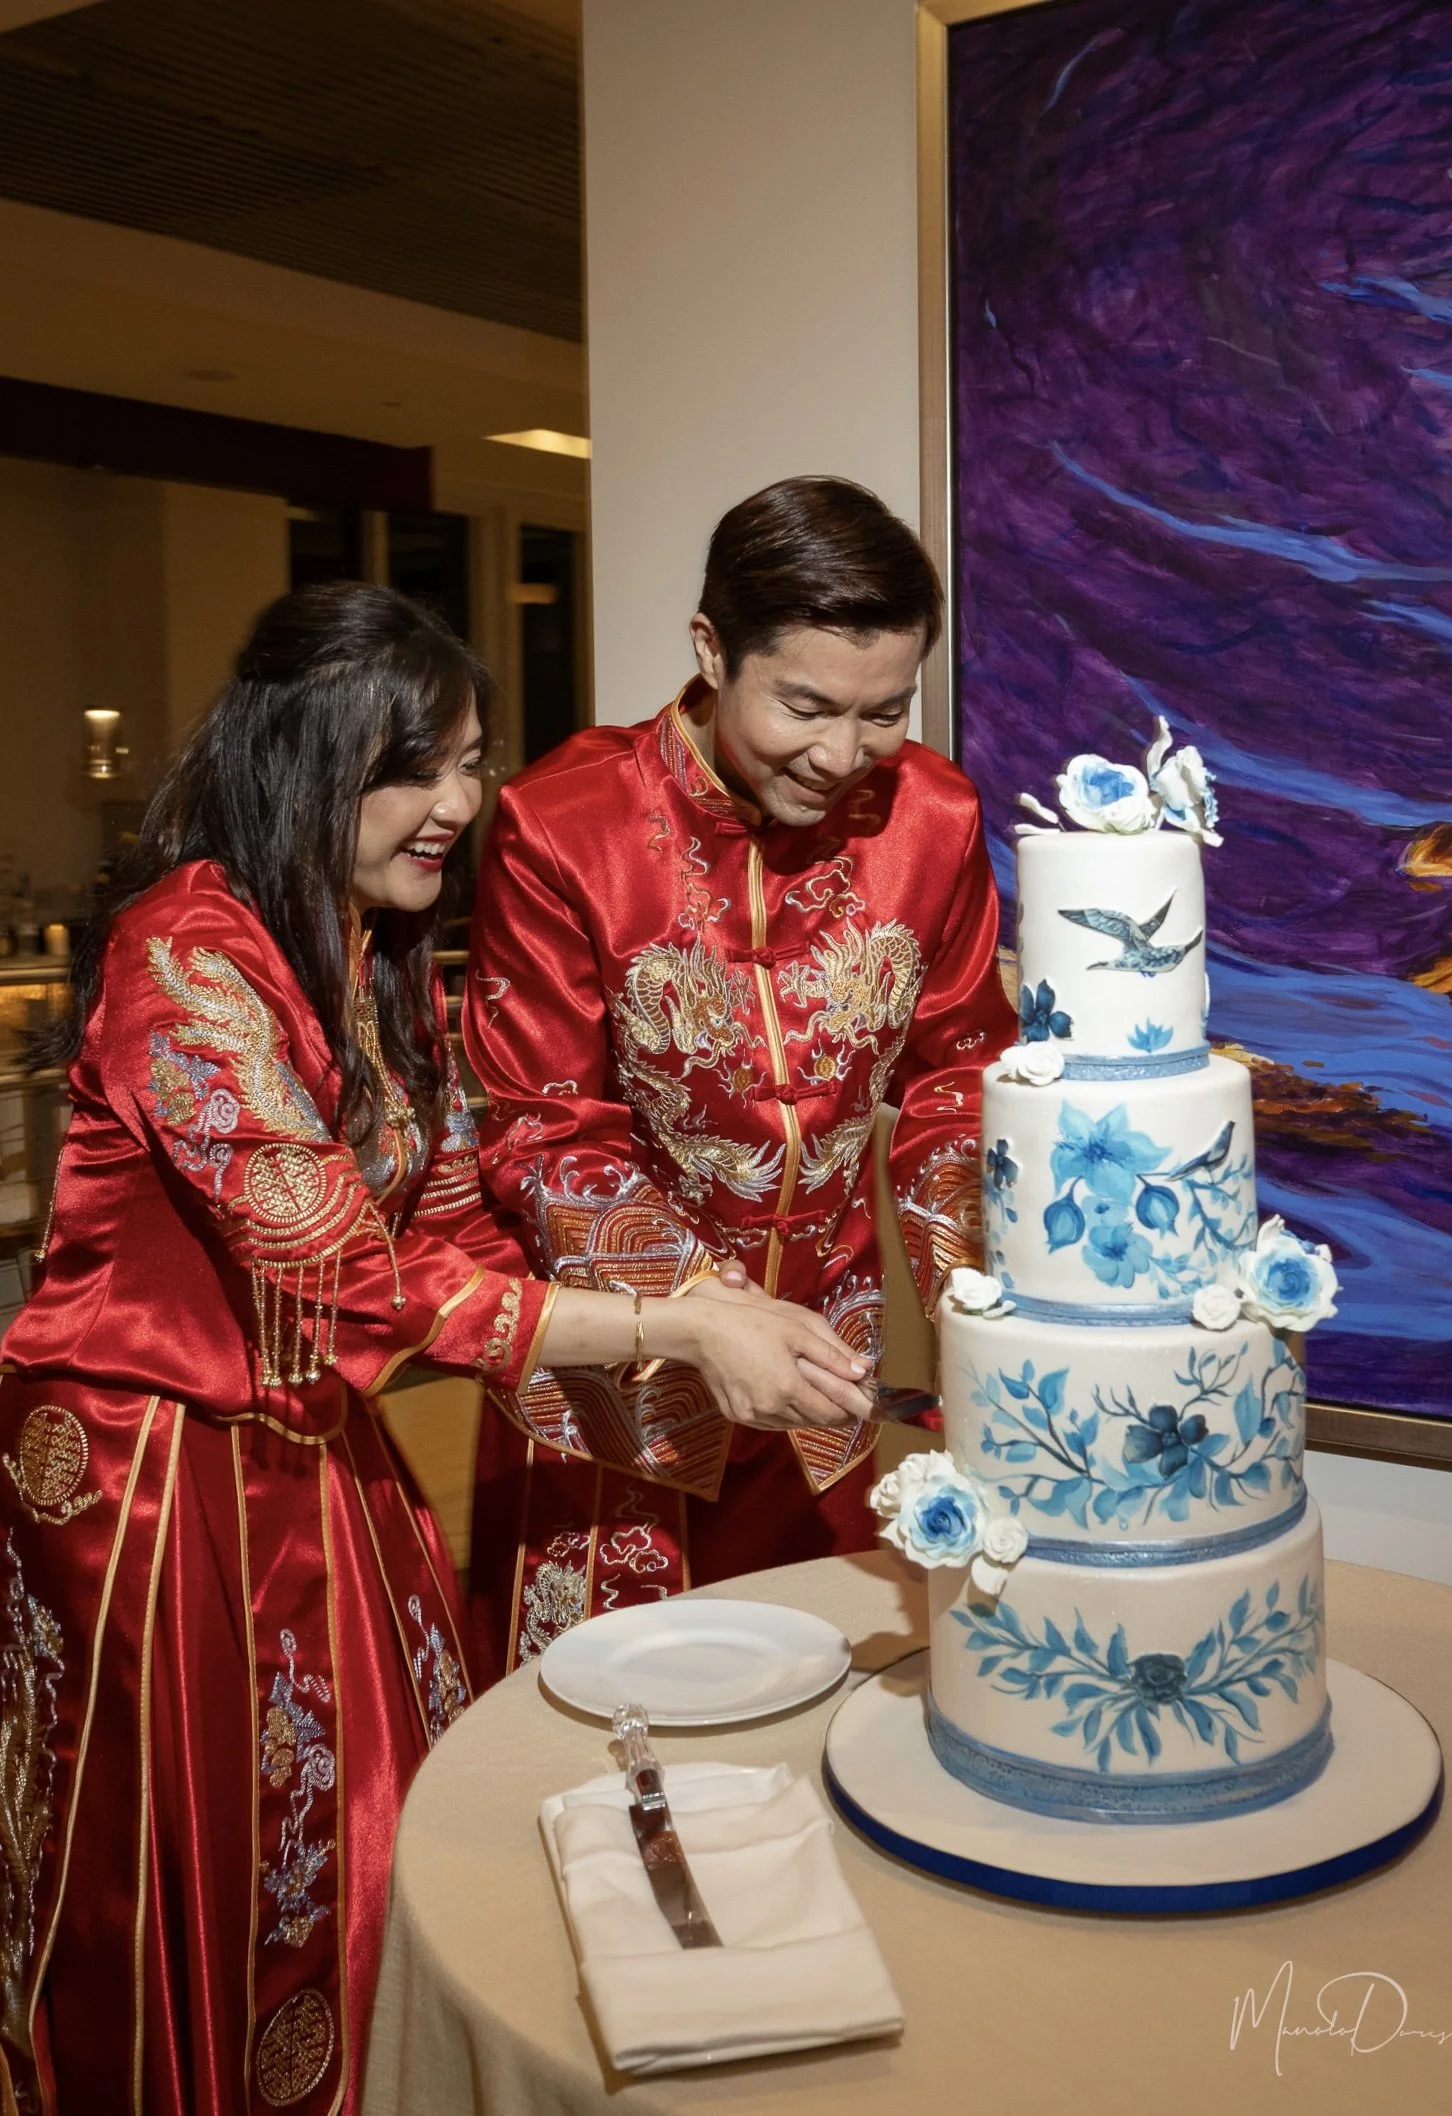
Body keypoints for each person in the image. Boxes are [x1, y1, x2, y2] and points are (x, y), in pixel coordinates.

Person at [0, 584, 871, 2116]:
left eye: (470, 765)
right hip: (156, 1488)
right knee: (213, 1867)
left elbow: (456, 1228)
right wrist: (681, 1320)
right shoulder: (187, 963)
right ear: (313, 757)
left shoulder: (365, 949)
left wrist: (687, 1333)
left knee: (375, 1830)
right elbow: (349, 1281)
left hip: (317, 1460)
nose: (460, 808)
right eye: (424, 770)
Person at [463, 477, 1017, 1675]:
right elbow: (545, 1130)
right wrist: (708, 1316)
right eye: (807, 705)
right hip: (612, 1380)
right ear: (713, 649)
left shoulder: (934, 817)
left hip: (825, 1372)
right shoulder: (561, 824)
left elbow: (957, 1078)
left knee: (821, 1699)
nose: (843, 755)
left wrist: (984, 1320)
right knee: (610, 1746)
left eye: (885, 712)